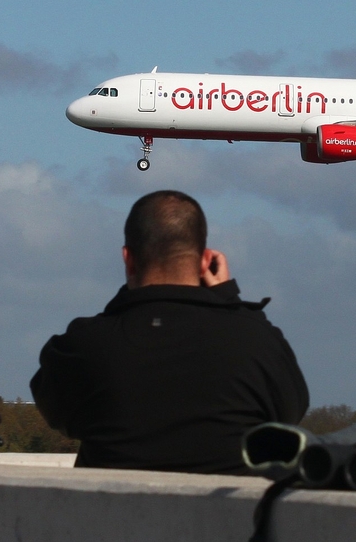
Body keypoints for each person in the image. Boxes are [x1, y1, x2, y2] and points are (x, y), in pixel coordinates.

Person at [30, 190, 309, 474]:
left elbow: (58, 414)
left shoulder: (83, 346)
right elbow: (289, 414)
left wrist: (128, 305)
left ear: (128, 258)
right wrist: (229, 301)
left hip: (111, 514)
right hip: (227, 516)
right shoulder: (257, 341)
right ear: (205, 261)